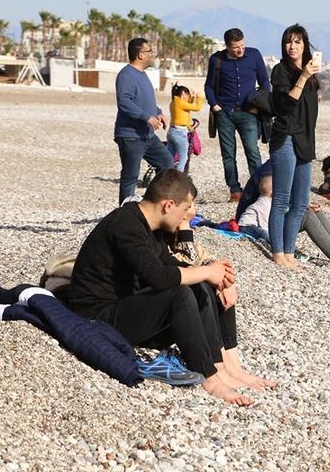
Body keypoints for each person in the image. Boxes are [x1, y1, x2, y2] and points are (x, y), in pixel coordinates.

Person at [68, 170, 273, 405]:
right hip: (98, 317)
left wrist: (216, 275)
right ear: (168, 205)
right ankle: (210, 378)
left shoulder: (149, 227)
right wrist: (206, 271)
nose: (187, 217)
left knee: (202, 286)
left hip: (127, 307)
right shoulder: (126, 224)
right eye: (185, 210)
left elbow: (171, 265)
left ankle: (222, 366)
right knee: (180, 294)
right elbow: (159, 278)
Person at [236, 165, 330, 274]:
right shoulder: (270, 176)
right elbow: (266, 223)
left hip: (273, 220)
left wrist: (304, 205)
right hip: (260, 227)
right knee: (306, 215)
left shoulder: (280, 176)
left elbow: (283, 206)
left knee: (313, 211)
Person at [268, 24, 320, 270]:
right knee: (281, 199)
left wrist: (308, 75)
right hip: (286, 137)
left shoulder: (310, 75)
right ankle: (278, 253)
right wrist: (304, 77)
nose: (292, 46)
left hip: (305, 140)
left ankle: (289, 252)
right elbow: (286, 106)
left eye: (297, 42)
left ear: (305, 45)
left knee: (300, 202)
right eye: (289, 41)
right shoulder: (280, 71)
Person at [204, 28, 269, 202]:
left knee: (252, 151)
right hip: (224, 113)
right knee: (228, 154)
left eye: (242, 45)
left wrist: (259, 106)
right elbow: (209, 86)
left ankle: (258, 188)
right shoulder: (216, 59)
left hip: (249, 113)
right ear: (227, 46)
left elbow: (264, 82)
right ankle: (234, 189)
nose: (240, 49)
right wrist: (214, 105)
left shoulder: (254, 55)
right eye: (236, 47)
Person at [114, 38, 173, 205]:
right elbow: (124, 102)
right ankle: (125, 214)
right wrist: (146, 117)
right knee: (130, 176)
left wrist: (158, 113)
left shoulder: (143, 74)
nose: (152, 55)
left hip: (147, 134)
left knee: (167, 164)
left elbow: (145, 101)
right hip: (131, 135)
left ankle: (154, 204)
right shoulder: (126, 75)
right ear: (141, 55)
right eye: (150, 52)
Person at [168, 84, 203, 173]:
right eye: (187, 94)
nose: (188, 96)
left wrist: (189, 126)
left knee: (170, 157)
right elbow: (197, 107)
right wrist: (199, 97)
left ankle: (167, 175)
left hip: (171, 131)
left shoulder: (174, 102)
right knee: (183, 157)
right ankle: (179, 178)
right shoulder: (180, 103)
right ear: (183, 93)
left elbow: (186, 109)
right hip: (180, 133)